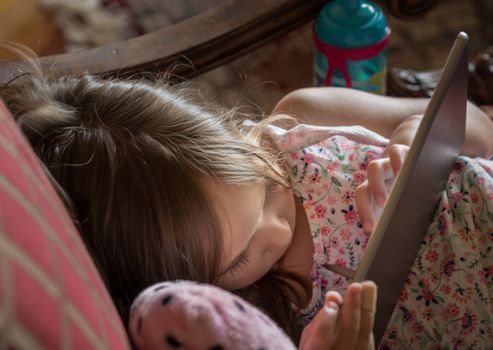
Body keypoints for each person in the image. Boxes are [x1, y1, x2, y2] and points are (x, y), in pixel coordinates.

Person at [2, 45, 493, 348]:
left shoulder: (305, 121)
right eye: (243, 255)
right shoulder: (245, 324)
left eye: (267, 191)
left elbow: (475, 123)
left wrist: (409, 141)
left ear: (233, 133)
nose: (278, 231)